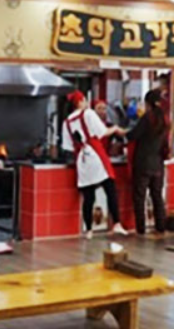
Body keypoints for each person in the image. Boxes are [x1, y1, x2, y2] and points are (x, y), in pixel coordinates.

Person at [62, 90, 128, 239]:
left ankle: (89, 230)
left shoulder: (67, 122)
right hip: (96, 155)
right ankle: (117, 223)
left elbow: (68, 147)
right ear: (80, 102)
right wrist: (116, 129)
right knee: (110, 188)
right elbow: (103, 132)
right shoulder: (88, 113)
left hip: (82, 159)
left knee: (88, 196)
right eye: (85, 100)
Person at [126, 90, 170, 236]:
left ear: (148, 103)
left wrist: (123, 132)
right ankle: (160, 226)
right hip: (158, 163)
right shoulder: (165, 119)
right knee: (157, 196)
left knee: (140, 197)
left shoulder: (147, 118)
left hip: (143, 162)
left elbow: (133, 135)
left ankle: (141, 229)